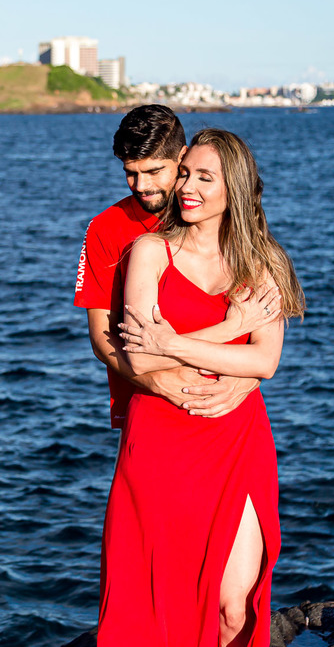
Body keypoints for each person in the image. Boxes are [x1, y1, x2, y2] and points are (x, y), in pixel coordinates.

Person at [75, 106, 281, 647]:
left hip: (230, 429)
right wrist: (162, 370)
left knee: (234, 597)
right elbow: (120, 345)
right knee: (158, 591)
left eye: (163, 171)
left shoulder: (252, 243)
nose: (153, 186)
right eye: (134, 174)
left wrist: (241, 378)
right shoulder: (120, 236)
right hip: (155, 418)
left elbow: (265, 357)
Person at [74, 105, 263, 433]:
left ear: (183, 157)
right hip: (148, 407)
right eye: (130, 172)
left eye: (154, 171)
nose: (141, 185)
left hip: (227, 404)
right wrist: (156, 381)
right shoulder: (106, 228)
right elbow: (101, 337)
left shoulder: (220, 214)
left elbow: (263, 327)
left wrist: (247, 379)